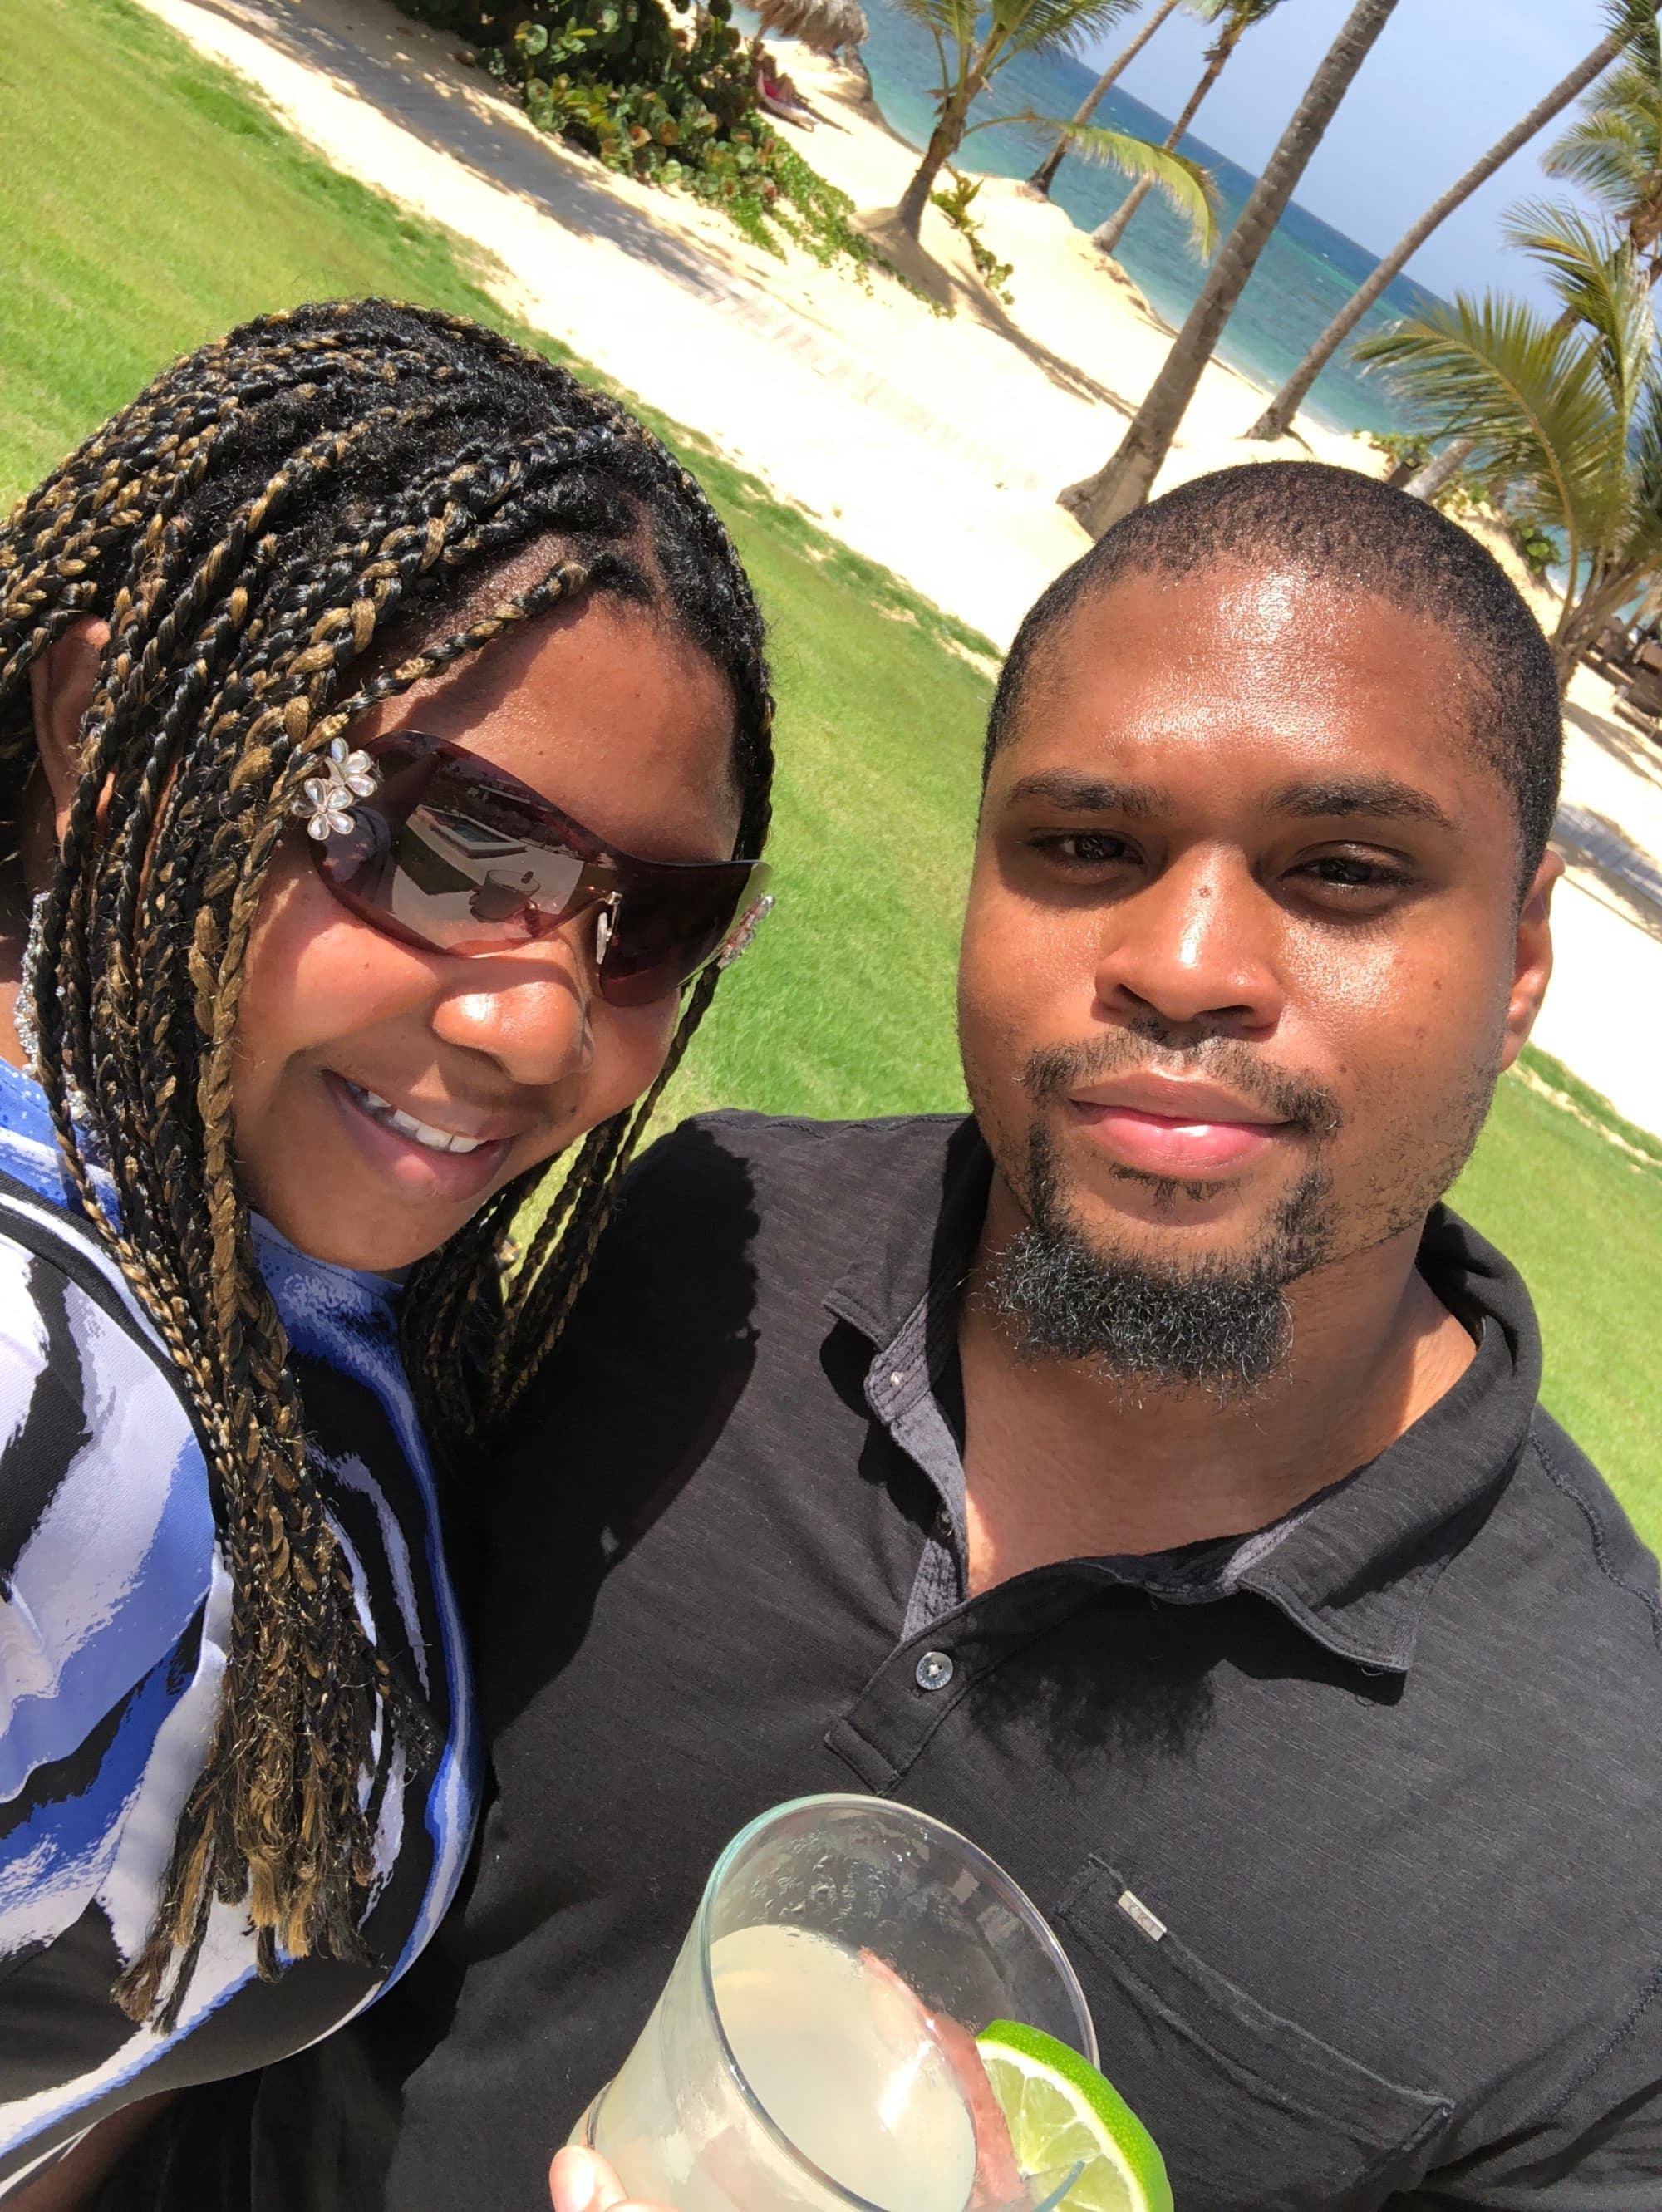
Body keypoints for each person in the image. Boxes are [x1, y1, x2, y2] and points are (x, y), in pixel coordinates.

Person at [191, 461, 1662, 2210]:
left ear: (1516, 956)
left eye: (1342, 870)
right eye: (1085, 846)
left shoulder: (1608, 1860)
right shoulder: (699, 1237)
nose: (1184, 958)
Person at [0, 297, 773, 2207]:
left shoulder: (288, 1256)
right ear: (110, 723)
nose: (540, 1019)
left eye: (652, 914)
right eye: (447, 842)